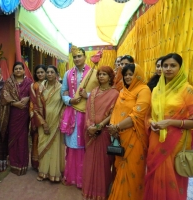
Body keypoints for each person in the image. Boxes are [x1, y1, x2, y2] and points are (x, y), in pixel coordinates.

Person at [144, 53, 193, 200]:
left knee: (173, 177)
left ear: (180, 67)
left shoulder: (188, 90)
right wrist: (151, 122)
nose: (168, 69)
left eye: (173, 65)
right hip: (156, 139)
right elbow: (149, 115)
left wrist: (170, 122)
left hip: (176, 142)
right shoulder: (157, 90)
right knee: (155, 175)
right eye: (165, 65)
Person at [107, 64, 151, 200]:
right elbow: (115, 111)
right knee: (120, 170)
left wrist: (116, 127)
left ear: (138, 74)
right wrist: (113, 128)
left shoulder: (144, 90)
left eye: (131, 74)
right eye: (125, 74)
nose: (127, 77)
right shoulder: (123, 91)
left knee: (132, 171)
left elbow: (137, 116)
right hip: (119, 137)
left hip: (135, 137)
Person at [60, 45, 98, 188]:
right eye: (74, 57)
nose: (76, 59)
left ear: (85, 57)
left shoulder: (94, 73)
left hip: (88, 114)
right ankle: (72, 176)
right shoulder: (68, 73)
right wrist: (69, 100)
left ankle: (85, 178)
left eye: (79, 56)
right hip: (72, 113)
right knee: (72, 145)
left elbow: (100, 92)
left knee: (85, 145)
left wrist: (87, 96)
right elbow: (63, 91)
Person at [82, 66, 119, 199]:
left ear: (110, 77)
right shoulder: (93, 91)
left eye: (104, 74)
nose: (101, 76)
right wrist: (89, 126)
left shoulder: (115, 94)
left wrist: (99, 126)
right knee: (90, 161)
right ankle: (88, 190)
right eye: (99, 74)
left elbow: (113, 113)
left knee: (103, 163)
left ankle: (100, 192)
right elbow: (87, 111)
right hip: (90, 132)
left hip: (103, 132)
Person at [0, 62, 33, 176]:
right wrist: (14, 103)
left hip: (24, 114)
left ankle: (22, 164)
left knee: (23, 138)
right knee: (13, 137)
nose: (18, 70)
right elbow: (4, 96)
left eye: (20, 68)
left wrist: (28, 98)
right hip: (13, 113)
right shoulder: (8, 82)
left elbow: (35, 95)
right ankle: (14, 164)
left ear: (24, 71)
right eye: (16, 69)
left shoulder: (29, 82)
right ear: (13, 71)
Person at [34, 65, 64, 182]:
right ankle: (43, 172)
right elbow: (36, 107)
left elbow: (65, 105)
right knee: (42, 145)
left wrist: (61, 119)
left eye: (52, 72)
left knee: (55, 146)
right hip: (43, 121)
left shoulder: (62, 88)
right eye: (48, 72)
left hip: (56, 122)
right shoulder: (41, 88)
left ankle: (54, 174)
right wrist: (43, 123)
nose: (49, 74)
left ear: (56, 74)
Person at [30, 64, 47, 170]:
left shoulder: (50, 84)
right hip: (37, 114)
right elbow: (32, 102)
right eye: (38, 72)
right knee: (37, 138)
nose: (40, 74)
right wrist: (34, 116)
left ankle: (47, 162)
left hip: (49, 114)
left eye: (42, 72)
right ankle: (37, 163)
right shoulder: (33, 86)